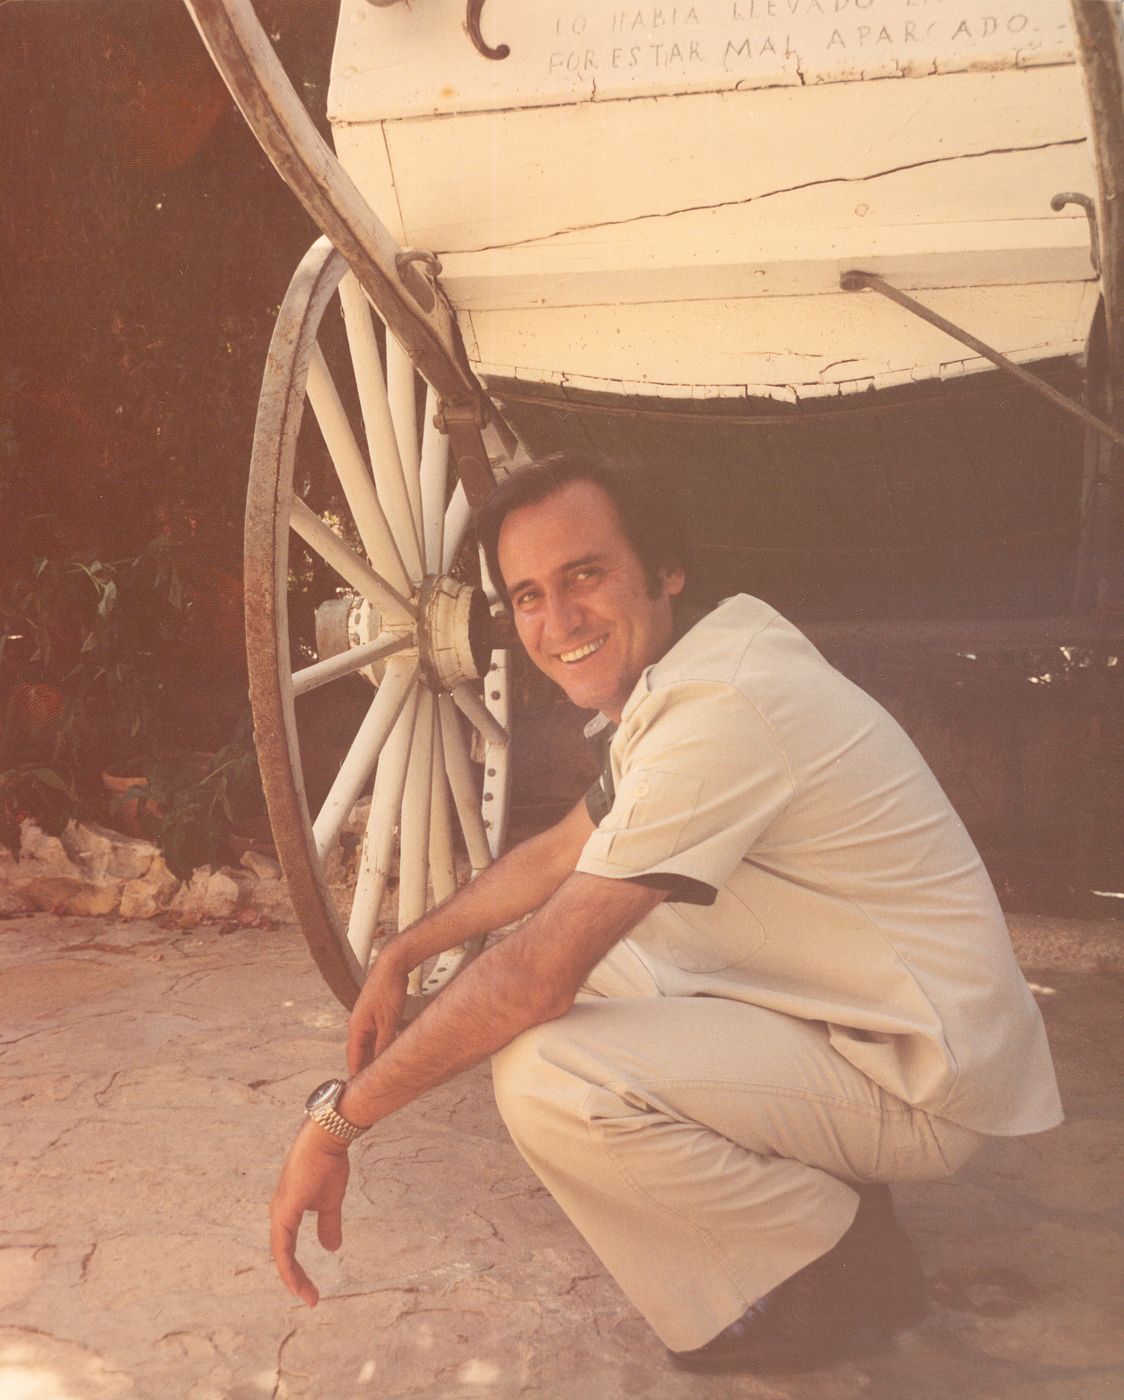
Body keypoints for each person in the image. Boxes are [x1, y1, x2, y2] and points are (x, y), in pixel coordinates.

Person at [270, 452, 1062, 1373]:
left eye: (585, 575)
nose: (558, 621)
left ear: (666, 569)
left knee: (548, 1074)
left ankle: (837, 1261)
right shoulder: (709, 657)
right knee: (608, 958)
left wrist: (338, 1122)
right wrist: (402, 953)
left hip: (924, 1077)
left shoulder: (719, 709)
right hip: (882, 1020)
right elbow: (564, 849)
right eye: (528, 595)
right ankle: (836, 1202)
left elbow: (534, 979)